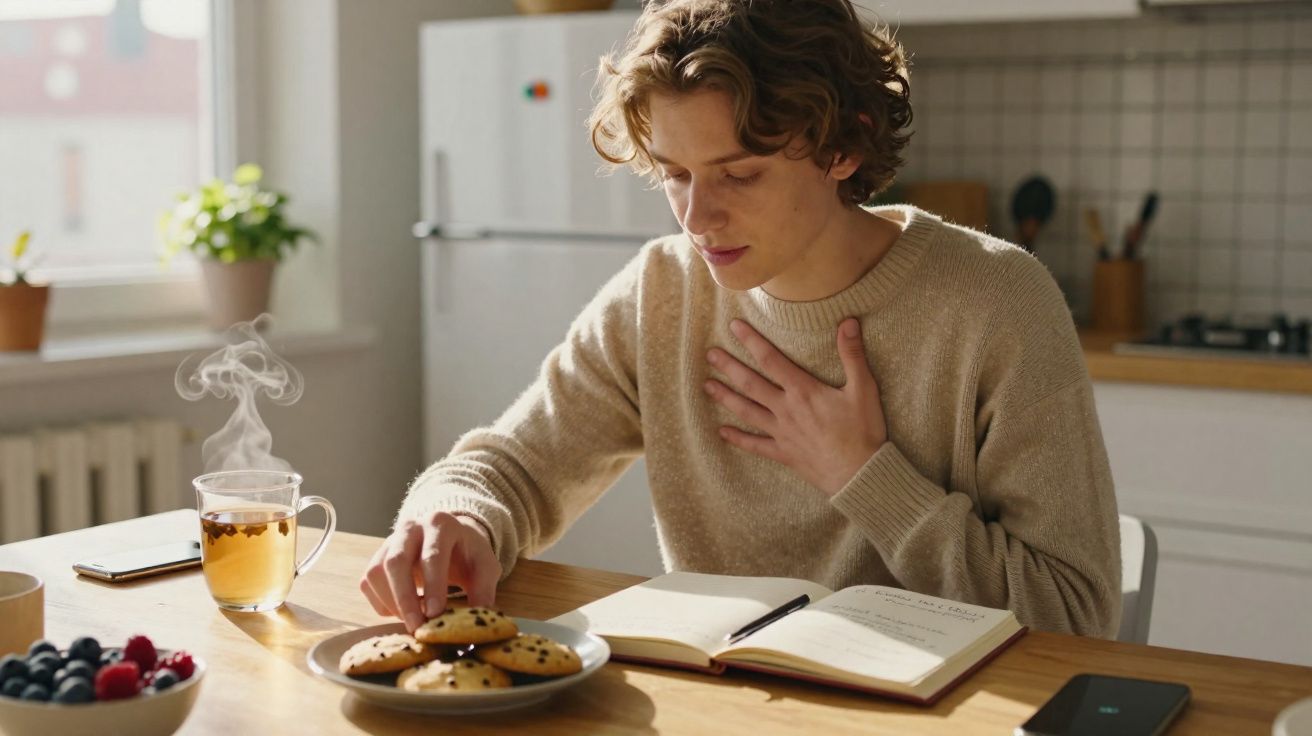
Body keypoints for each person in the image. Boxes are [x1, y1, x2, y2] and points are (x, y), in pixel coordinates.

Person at [361, 0, 1121, 638]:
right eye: (674, 175)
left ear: (844, 146)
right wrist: (451, 515)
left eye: (740, 173)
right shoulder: (663, 292)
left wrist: (865, 475)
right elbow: (513, 468)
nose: (697, 216)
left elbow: (1075, 620)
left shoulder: (997, 303)